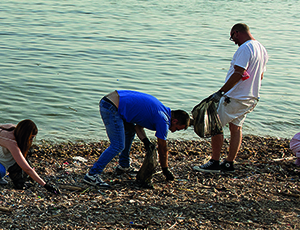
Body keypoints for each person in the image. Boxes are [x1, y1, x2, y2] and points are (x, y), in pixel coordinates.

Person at [194, 23, 269, 174]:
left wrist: (221, 92)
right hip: (251, 97)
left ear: (237, 33)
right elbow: (260, 75)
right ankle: (229, 163)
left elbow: (238, 73)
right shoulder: (262, 49)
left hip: (235, 97)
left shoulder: (245, 48)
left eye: (232, 37)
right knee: (236, 128)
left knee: (215, 127)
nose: (233, 41)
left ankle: (215, 162)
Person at [84, 90, 190, 188]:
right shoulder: (163, 120)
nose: (173, 131)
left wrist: (146, 142)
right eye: (176, 129)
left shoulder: (162, 111)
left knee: (130, 132)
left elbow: (138, 127)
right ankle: (92, 175)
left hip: (114, 101)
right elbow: (162, 148)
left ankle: (123, 166)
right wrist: (165, 170)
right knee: (118, 145)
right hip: (111, 106)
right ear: (175, 121)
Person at [0, 120, 60, 195]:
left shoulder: (17, 130)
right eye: (31, 137)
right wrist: (45, 185)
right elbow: (26, 168)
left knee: (25, 153)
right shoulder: (10, 141)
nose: (32, 140)